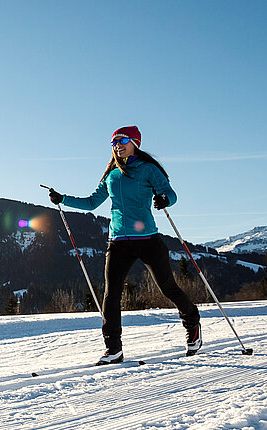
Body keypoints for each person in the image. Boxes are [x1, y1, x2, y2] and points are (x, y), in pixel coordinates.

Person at [47, 126, 202, 365]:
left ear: (135, 143)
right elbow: (91, 203)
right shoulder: (112, 174)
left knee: (167, 287)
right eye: (114, 143)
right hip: (118, 241)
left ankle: (192, 323)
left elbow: (170, 193)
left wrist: (164, 199)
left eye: (123, 141)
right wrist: (63, 199)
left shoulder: (148, 169)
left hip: (148, 238)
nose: (118, 146)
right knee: (111, 294)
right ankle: (113, 348)